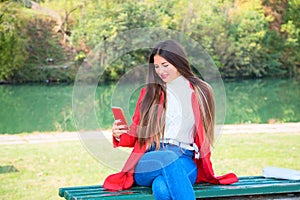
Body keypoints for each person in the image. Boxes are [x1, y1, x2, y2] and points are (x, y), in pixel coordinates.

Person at [103, 39, 238, 199]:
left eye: (165, 65)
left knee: (162, 188)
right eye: (157, 67)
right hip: (150, 158)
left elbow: (204, 133)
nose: (160, 71)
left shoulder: (200, 91)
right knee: (167, 158)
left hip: (184, 157)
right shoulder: (150, 93)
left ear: (179, 62)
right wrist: (119, 134)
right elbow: (136, 134)